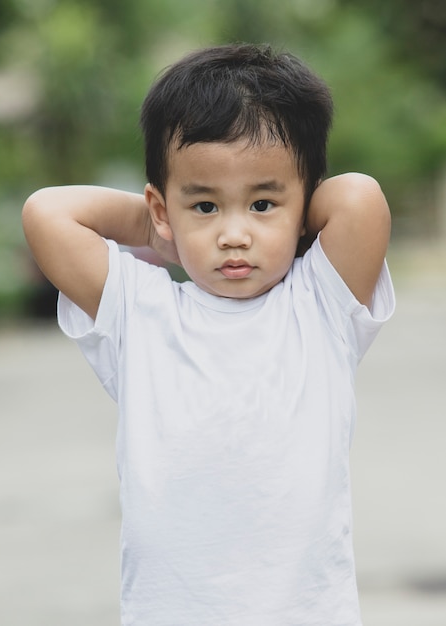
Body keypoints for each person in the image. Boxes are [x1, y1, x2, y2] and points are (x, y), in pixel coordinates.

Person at [22, 43, 395, 626]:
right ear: (163, 209)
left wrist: (280, 219)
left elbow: (358, 197)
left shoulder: (319, 305)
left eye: (263, 203)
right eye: (205, 207)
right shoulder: (141, 315)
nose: (234, 234)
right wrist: (158, 224)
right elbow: (47, 213)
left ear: (303, 206)